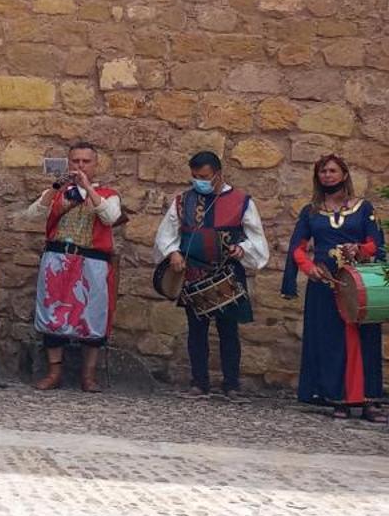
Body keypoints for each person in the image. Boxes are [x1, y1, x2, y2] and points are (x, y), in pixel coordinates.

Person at [154, 150, 269, 397]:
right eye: (195, 176)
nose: (199, 181)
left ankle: (231, 384)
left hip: (227, 273)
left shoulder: (242, 201)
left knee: (229, 331)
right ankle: (199, 382)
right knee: (196, 331)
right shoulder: (183, 201)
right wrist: (173, 252)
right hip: (193, 273)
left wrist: (242, 249)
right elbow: (167, 234)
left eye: (204, 176)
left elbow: (257, 240)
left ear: (218, 174)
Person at [281, 154, 384, 421]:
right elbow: (298, 248)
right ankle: (338, 398)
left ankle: (369, 401)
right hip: (325, 284)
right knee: (331, 341)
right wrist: (309, 268)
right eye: (323, 172)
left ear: (344, 174)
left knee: (365, 340)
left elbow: (376, 243)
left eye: (332, 170)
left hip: (358, 284)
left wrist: (359, 249)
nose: (327, 175)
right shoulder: (311, 212)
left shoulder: (363, 209)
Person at [28, 140, 123, 393]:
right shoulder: (58, 192)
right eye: (76, 161)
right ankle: (54, 372)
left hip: (92, 261)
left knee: (91, 316)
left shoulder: (108, 195)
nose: (80, 165)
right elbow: (34, 215)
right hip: (58, 259)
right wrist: (53, 188)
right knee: (53, 315)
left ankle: (88, 376)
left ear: (96, 164)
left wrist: (88, 189)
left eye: (86, 161)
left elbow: (110, 217)